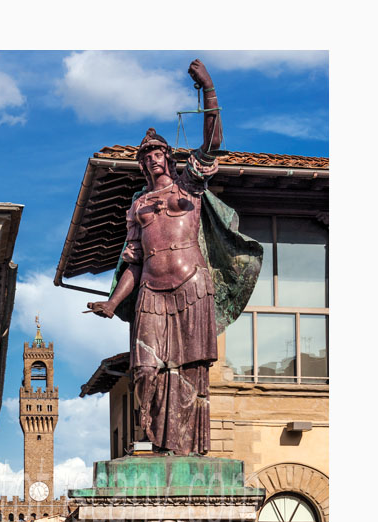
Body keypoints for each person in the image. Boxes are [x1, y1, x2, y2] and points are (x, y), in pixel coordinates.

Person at [87, 59, 262, 456]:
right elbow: (132, 258)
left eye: (157, 153)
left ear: (168, 156)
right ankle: (153, 437)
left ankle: (184, 450)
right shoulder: (138, 205)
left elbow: (213, 143)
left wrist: (209, 89)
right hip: (151, 289)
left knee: (188, 372)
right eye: (145, 156)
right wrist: (113, 303)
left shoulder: (189, 186)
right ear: (142, 164)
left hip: (192, 288)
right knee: (146, 369)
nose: (152, 159)